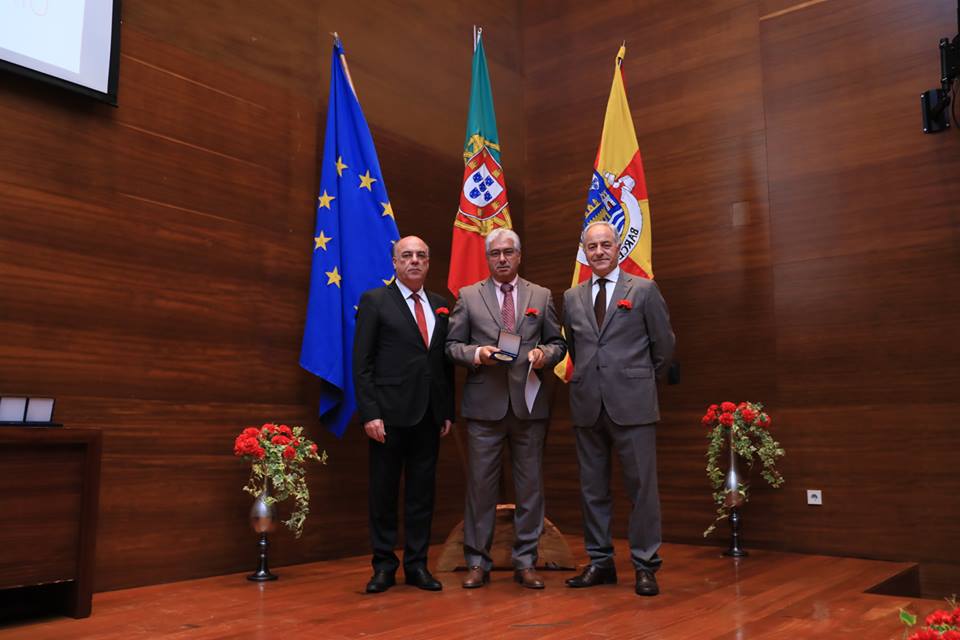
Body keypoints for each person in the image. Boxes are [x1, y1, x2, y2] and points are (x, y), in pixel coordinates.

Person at [446, 228, 566, 590]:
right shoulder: (468, 296)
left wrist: (544, 354)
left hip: (529, 406)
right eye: (495, 253)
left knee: (530, 488)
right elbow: (451, 345)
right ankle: (477, 562)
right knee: (481, 489)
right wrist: (476, 354)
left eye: (508, 252)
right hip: (485, 408)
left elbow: (558, 343)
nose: (502, 258)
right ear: (487, 258)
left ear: (519, 255)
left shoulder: (541, 296)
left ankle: (526, 561)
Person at [561, 220, 675, 597]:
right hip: (587, 404)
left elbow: (664, 346)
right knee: (592, 489)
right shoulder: (571, 297)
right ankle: (600, 562)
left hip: (633, 405)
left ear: (618, 247)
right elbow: (576, 348)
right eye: (592, 246)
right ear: (584, 251)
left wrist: (637, 380)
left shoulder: (643, 290)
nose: (599, 252)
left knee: (642, 490)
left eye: (605, 245)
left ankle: (645, 564)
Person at [353, 236, 455, 594]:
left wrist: (446, 410)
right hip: (388, 416)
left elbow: (442, 364)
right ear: (395, 263)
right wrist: (370, 413)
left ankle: (417, 565)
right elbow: (362, 363)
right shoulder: (375, 301)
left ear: (428, 263)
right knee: (383, 494)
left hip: (429, 415)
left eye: (421, 256)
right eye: (406, 255)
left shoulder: (441, 305)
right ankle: (383, 567)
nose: (414, 261)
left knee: (421, 495)